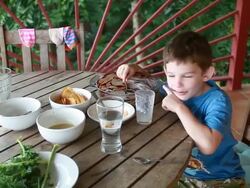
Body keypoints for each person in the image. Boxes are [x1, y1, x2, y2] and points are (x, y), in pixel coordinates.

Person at [116, 31, 245, 187]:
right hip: (181, 172)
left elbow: (208, 146)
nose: (177, 84)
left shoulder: (217, 101)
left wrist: (178, 107)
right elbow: (150, 83)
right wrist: (132, 69)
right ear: (165, 71)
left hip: (219, 178)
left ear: (207, 74)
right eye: (171, 75)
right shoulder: (173, 88)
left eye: (187, 76)